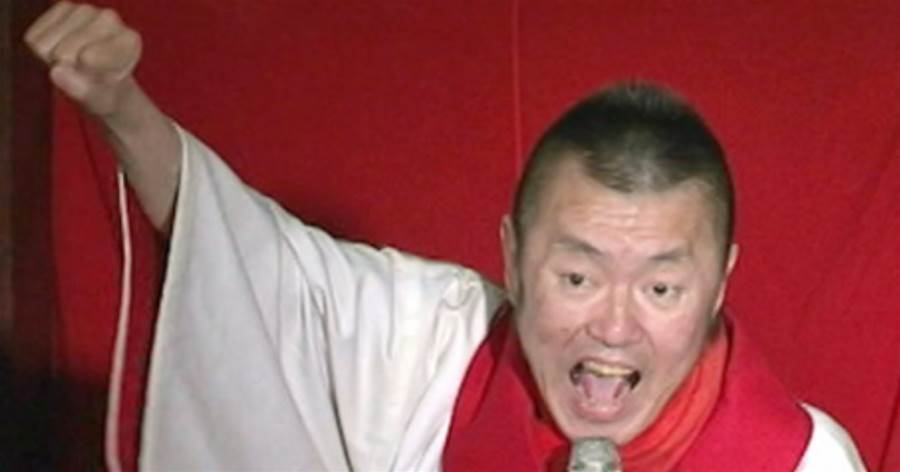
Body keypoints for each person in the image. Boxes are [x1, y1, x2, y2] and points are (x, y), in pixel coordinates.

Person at [26, 3, 867, 471]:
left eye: (660, 288)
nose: (614, 327)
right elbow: (259, 270)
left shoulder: (806, 464)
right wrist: (122, 110)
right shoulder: (432, 346)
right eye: (577, 278)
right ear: (512, 257)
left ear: (719, 286)